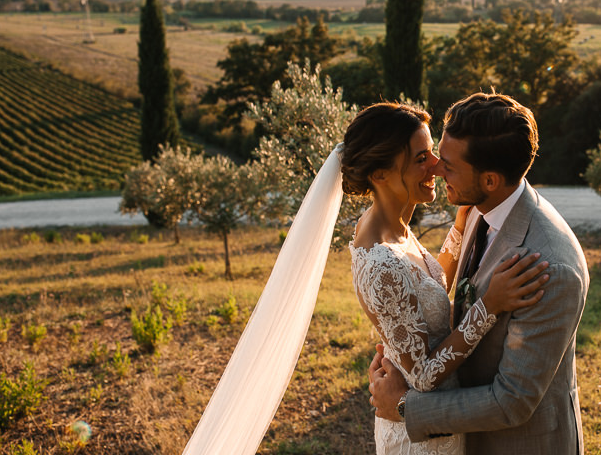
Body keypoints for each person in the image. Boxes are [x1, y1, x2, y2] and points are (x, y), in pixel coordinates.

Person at [182, 101, 547, 455]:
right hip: (420, 440)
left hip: (439, 422)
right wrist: (488, 306)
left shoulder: (392, 227)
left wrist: (458, 228)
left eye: (432, 153)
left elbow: (426, 289)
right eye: (421, 159)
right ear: (380, 174)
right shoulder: (379, 262)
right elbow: (422, 375)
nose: (437, 166)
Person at [369, 92, 590, 454]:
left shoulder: (550, 267)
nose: (437, 168)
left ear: (490, 180)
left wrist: (406, 406)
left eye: (450, 166)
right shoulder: (479, 209)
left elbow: (512, 401)